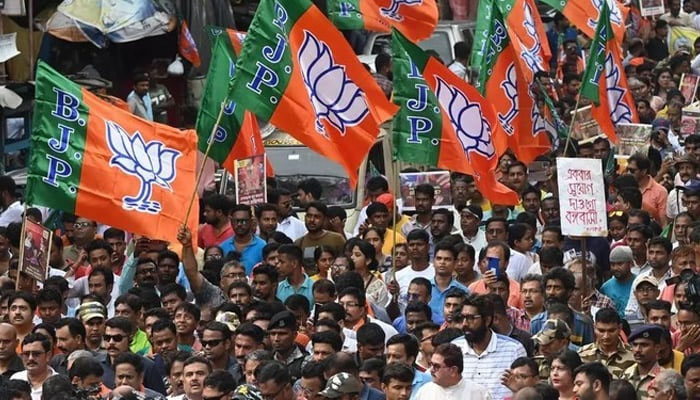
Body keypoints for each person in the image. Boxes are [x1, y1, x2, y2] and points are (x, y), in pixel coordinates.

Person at [451, 294, 526, 398]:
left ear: (487, 320)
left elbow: (525, 390)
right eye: (463, 318)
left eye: (471, 318)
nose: (464, 324)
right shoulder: (454, 348)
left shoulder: (514, 349)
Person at [414, 343, 491, 400]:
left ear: (453, 370)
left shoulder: (479, 393)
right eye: (431, 364)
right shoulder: (425, 391)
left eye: (436, 366)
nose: (431, 370)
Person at [578, 308, 635, 379]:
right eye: (601, 331)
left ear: (620, 328)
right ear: (594, 328)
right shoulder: (582, 354)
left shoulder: (633, 355)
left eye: (611, 331)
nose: (606, 336)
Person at [219, 204, 266, 274]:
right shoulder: (223, 247)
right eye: (236, 221)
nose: (239, 224)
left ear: (251, 221)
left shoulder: (262, 246)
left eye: (244, 221)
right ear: (231, 222)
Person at [623, 325, 666, 399]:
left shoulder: (665, 379)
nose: (637, 350)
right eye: (635, 345)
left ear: (657, 348)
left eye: (644, 345)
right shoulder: (625, 375)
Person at [11, 333, 58, 400]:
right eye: (26, 354)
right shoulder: (16, 378)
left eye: (36, 354)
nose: (30, 358)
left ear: (48, 355)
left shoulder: (58, 384)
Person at [268, 310, 308, 382]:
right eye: (273, 334)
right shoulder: (267, 359)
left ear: (294, 335)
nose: (276, 339)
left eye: (282, 334)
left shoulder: (306, 362)